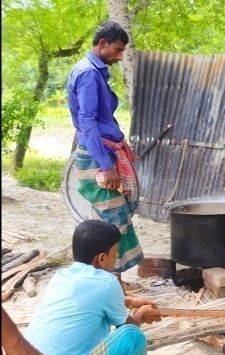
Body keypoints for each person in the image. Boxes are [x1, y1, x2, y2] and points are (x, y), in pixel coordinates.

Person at [67, 21, 143, 291]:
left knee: (114, 217)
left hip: (103, 149)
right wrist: (105, 164)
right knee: (113, 222)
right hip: (99, 154)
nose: (120, 56)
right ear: (102, 44)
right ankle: (111, 285)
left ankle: (114, 281)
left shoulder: (93, 71)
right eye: (117, 50)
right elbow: (86, 120)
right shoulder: (88, 74)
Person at [24, 220, 163, 355]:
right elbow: (126, 326)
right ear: (102, 258)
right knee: (133, 335)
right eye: (115, 252)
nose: (116, 257)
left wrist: (126, 301)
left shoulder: (60, 276)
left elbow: (88, 303)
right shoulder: (107, 282)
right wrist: (141, 314)